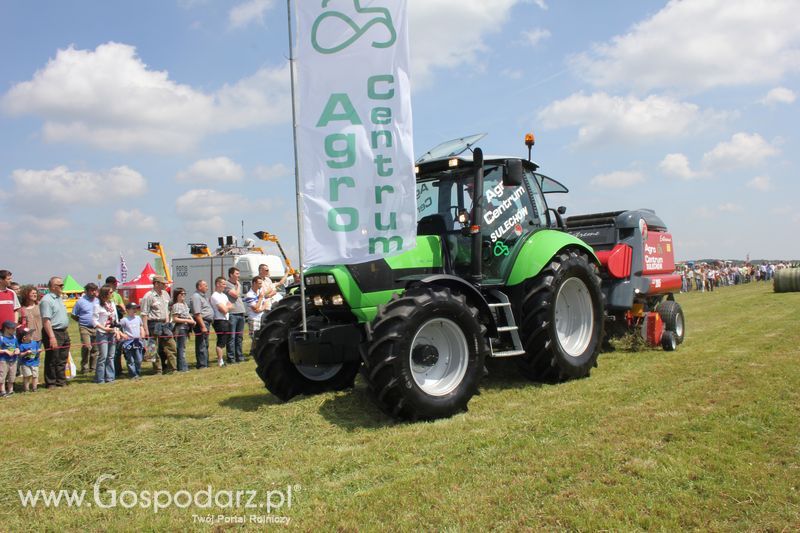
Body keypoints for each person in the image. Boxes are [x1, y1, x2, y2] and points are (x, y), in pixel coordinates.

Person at [140, 276, 177, 374]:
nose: (166, 285)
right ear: (156, 284)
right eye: (163, 283)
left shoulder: (165, 294)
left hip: (165, 323)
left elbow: (168, 309)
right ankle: (157, 370)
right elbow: (144, 314)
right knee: (153, 348)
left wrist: (168, 321)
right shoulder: (148, 296)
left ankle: (172, 368)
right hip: (153, 324)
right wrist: (146, 329)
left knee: (171, 346)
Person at [40, 277, 70, 388]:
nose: (62, 287)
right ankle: (51, 382)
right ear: (53, 287)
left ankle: (60, 381)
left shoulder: (59, 298)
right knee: (52, 358)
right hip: (53, 332)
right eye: (60, 285)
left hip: (63, 332)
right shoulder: (47, 300)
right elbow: (46, 320)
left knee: (62, 358)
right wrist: (51, 337)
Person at [70, 282, 99, 374]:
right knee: (87, 346)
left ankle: (93, 367)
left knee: (95, 348)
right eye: (91, 290)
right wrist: (82, 321)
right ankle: (84, 367)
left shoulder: (98, 300)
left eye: (95, 290)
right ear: (86, 291)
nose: (94, 292)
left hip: (96, 327)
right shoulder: (80, 301)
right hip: (84, 327)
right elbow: (73, 315)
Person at [94, 285, 119, 384]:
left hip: (112, 332)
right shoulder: (97, 305)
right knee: (103, 356)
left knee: (111, 356)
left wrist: (116, 330)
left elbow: (115, 318)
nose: (112, 294)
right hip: (102, 333)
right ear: (105, 293)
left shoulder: (112, 304)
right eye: (111, 292)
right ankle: (100, 378)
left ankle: (110, 377)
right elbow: (94, 321)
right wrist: (104, 328)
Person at [190, 280, 214, 369]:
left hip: (206, 322)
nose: (207, 287)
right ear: (199, 287)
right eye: (205, 285)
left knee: (205, 343)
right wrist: (203, 326)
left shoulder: (203, 297)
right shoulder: (196, 297)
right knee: (201, 344)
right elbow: (197, 313)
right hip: (201, 322)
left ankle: (205, 363)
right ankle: (202, 364)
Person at [224, 267, 246, 363]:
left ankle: (239, 356)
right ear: (231, 274)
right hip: (233, 314)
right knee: (232, 337)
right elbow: (235, 295)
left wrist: (237, 285)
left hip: (240, 313)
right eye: (237, 274)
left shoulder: (237, 284)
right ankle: (231, 358)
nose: (238, 275)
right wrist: (237, 286)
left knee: (239, 337)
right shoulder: (227, 284)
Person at [210, 276, 233, 367]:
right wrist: (226, 307)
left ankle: (223, 359)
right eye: (223, 284)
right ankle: (220, 361)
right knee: (221, 341)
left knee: (226, 340)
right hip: (219, 321)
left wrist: (226, 307)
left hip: (226, 319)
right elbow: (224, 310)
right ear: (218, 284)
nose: (225, 286)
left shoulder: (224, 295)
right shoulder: (215, 296)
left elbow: (231, 306)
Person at [170, 288, 195, 372]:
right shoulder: (176, 305)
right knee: (181, 348)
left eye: (185, 293)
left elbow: (187, 314)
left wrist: (192, 320)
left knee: (183, 348)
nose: (183, 295)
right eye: (182, 294)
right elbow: (175, 319)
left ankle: (183, 366)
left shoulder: (184, 304)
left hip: (186, 328)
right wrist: (188, 321)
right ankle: (182, 368)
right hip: (180, 328)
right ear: (177, 295)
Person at [106, 276, 125, 378]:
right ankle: (108, 372)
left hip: (117, 324)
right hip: (106, 327)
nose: (116, 285)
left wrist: (119, 309)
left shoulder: (117, 295)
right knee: (107, 352)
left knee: (117, 349)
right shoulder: (101, 297)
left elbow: (123, 308)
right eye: (114, 283)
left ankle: (118, 371)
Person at [119, 302, 144, 379]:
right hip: (128, 342)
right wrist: (123, 335)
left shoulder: (138, 318)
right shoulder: (124, 320)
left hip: (137, 341)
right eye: (133, 308)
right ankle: (133, 374)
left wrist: (142, 333)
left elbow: (141, 326)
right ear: (127, 310)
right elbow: (118, 329)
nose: (135, 310)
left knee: (139, 359)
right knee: (130, 359)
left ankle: (138, 372)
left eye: (136, 308)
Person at [244, 276, 269, 352]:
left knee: (261, 335)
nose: (261, 285)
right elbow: (255, 308)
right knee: (255, 337)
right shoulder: (249, 295)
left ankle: (254, 351)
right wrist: (261, 298)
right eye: (259, 283)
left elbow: (265, 304)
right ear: (254, 283)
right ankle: (255, 351)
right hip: (253, 319)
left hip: (261, 317)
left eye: (261, 283)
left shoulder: (259, 292)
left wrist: (261, 308)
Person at [0, 320, 20, 397]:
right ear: (6, 329)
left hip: (14, 360)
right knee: (2, 375)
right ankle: (2, 391)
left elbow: (17, 347)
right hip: (3, 360)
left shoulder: (14, 337)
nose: (14, 330)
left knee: (12, 375)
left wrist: (17, 350)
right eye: (13, 329)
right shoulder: (1, 338)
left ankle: (10, 390)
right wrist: (5, 351)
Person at [17, 328, 40, 392]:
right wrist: (26, 352)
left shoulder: (35, 343)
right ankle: (26, 389)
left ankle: (34, 388)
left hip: (35, 362)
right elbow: (20, 355)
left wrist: (38, 351)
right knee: (27, 376)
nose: (32, 335)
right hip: (26, 364)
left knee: (35, 376)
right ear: (24, 337)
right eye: (30, 334)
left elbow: (37, 350)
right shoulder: (22, 345)